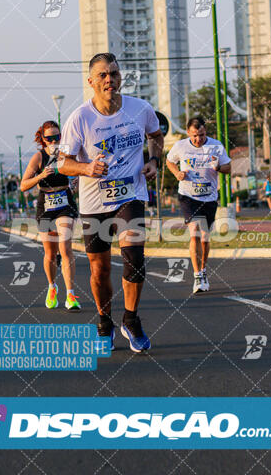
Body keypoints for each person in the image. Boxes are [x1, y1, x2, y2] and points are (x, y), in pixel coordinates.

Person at [59, 52, 163, 352]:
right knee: (99, 270)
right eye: (103, 75)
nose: (109, 80)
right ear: (91, 81)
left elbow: (156, 136)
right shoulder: (80, 118)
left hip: (130, 194)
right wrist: (86, 168)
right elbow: (63, 163)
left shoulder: (140, 108)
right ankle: (104, 320)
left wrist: (153, 161)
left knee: (135, 259)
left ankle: (131, 319)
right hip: (94, 201)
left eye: (114, 74)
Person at [166, 116, 231, 294]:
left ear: (205, 132)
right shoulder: (180, 146)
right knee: (194, 232)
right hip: (188, 196)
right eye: (194, 136)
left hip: (209, 197)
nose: (198, 139)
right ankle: (197, 276)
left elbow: (228, 168)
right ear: (188, 133)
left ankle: (203, 270)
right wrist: (177, 173)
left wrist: (217, 167)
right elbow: (169, 161)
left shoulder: (216, 146)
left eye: (201, 135)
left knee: (205, 237)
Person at [21, 120, 80, 311]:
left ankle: (70, 295)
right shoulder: (38, 157)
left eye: (57, 137)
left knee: (65, 247)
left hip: (65, 202)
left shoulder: (67, 154)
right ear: (43, 139)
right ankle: (52, 286)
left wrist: (77, 180)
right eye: (49, 138)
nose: (54, 141)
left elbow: (79, 171)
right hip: (46, 205)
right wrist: (40, 176)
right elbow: (23, 185)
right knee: (50, 253)